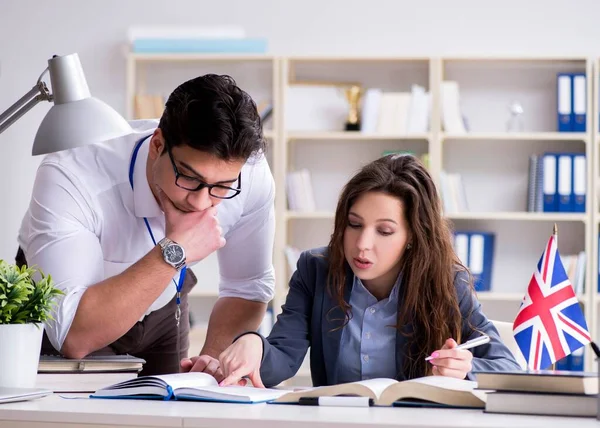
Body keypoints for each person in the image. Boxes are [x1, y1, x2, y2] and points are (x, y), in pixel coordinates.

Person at [16, 74, 275, 377]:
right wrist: (175, 249)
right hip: (79, 309)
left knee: (174, 411)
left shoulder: (250, 175)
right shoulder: (71, 175)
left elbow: (247, 287)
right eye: (189, 178)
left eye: (221, 187)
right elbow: (74, 335)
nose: (201, 203)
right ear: (157, 144)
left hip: (164, 302)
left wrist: (211, 368)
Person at [218, 154, 521, 388]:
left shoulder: (445, 281)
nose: (362, 245)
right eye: (354, 224)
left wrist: (466, 368)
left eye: (385, 231)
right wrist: (254, 345)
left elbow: (507, 367)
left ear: (413, 235)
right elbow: (282, 357)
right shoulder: (316, 270)